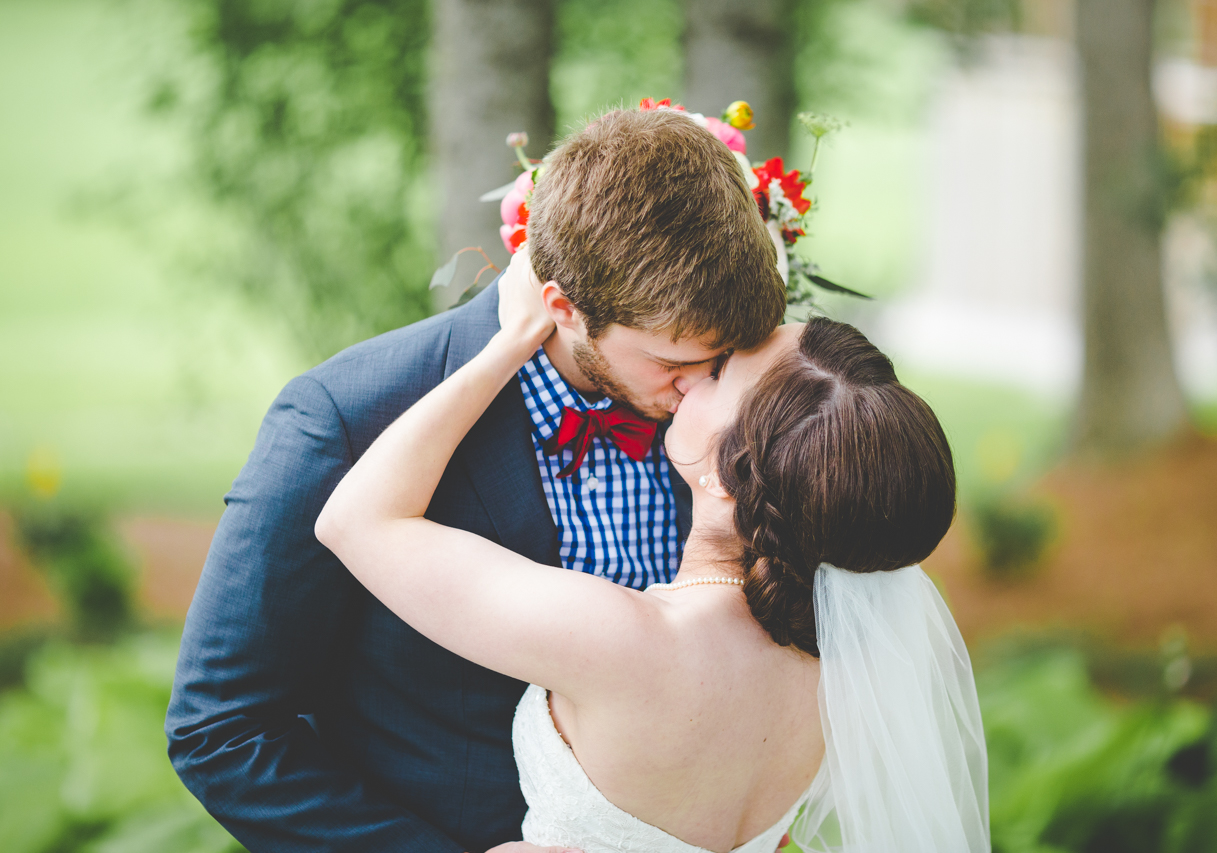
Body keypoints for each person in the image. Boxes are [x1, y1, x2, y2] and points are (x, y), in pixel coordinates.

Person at [165, 107, 785, 853]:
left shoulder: (731, 405)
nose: (700, 392)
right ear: (565, 307)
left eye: (717, 363)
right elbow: (222, 729)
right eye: (675, 364)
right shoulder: (347, 416)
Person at [316, 252, 989, 853]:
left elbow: (357, 520)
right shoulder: (838, 678)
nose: (691, 376)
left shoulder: (622, 641)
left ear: (729, 475)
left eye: (721, 372)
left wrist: (510, 340)